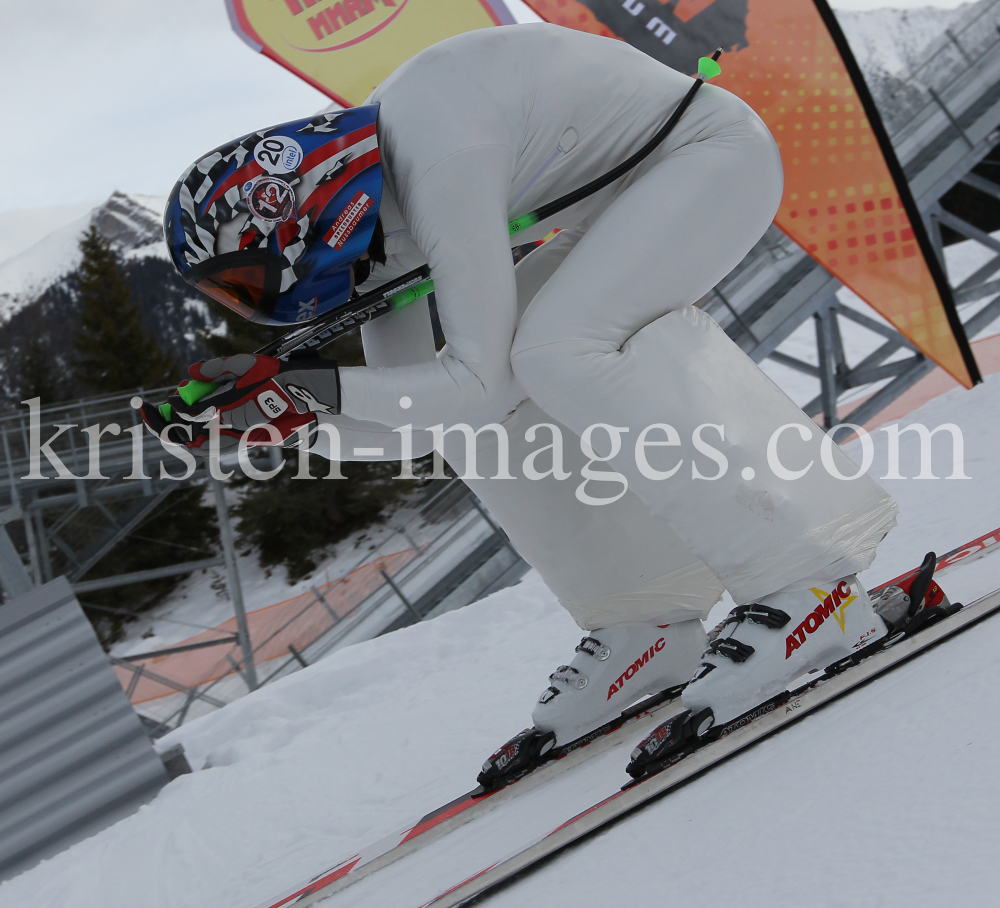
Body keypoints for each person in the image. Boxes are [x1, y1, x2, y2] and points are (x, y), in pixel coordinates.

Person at [144, 23, 899, 778]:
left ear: (291, 218)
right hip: (608, 205)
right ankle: (648, 622)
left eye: (247, 280)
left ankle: (805, 587)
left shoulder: (436, 153)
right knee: (501, 397)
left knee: (559, 351)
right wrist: (288, 421)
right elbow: (428, 421)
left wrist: (309, 392)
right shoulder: (365, 215)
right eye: (231, 294)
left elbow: (468, 379)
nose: (254, 303)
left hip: (707, 158)